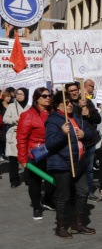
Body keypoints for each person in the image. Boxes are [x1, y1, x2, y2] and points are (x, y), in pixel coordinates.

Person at [45, 92, 95, 239]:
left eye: (70, 102)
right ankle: (60, 227)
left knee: (83, 191)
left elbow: (91, 132)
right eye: (66, 102)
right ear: (58, 104)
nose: (69, 104)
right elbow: (50, 144)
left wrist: (84, 134)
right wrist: (62, 133)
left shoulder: (75, 117)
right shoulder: (53, 120)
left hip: (78, 162)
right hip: (62, 163)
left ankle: (77, 224)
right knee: (64, 196)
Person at [16, 87, 56, 220]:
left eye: (49, 95)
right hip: (36, 154)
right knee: (35, 182)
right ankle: (36, 207)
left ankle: (47, 200)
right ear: (36, 99)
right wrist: (22, 157)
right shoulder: (28, 115)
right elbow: (21, 138)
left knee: (53, 181)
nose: (48, 98)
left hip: (53, 153)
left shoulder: (54, 113)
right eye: (44, 96)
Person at [65, 82, 101, 201]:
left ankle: (89, 191)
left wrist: (89, 114)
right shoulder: (67, 104)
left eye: (76, 90)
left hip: (89, 142)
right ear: (67, 93)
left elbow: (98, 119)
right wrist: (79, 108)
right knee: (74, 169)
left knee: (89, 168)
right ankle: (74, 193)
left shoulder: (87, 102)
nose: (74, 92)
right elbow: (68, 118)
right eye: (71, 91)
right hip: (75, 143)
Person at [4, 88, 30, 188]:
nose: (18, 96)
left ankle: (28, 178)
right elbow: (5, 119)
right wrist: (15, 119)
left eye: (21, 94)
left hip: (26, 135)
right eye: (17, 94)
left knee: (27, 157)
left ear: (26, 95)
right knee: (13, 158)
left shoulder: (29, 107)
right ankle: (14, 180)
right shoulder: (11, 106)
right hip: (14, 134)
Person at [0, 91, 12, 161]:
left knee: (8, 139)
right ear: (4, 97)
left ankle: (7, 153)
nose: (9, 98)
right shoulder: (0, 105)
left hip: (9, 124)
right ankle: (1, 153)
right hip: (1, 124)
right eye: (7, 96)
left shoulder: (11, 105)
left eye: (10, 96)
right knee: (1, 140)